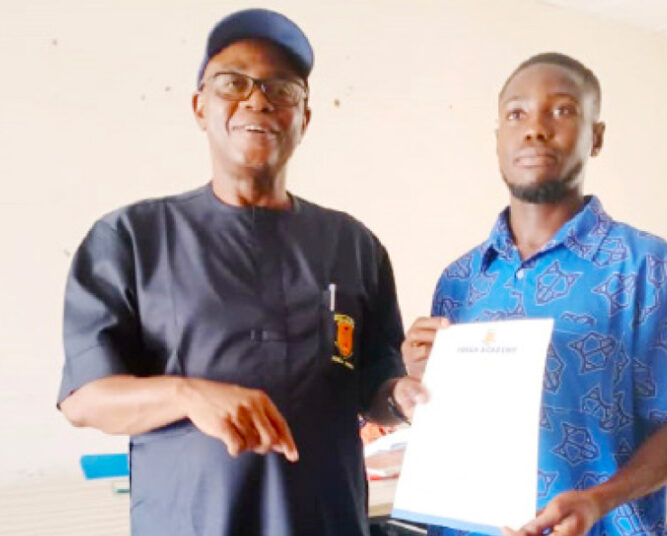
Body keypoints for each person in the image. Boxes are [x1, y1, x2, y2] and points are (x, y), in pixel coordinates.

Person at [58, 9, 422, 536]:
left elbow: (374, 385)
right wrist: (187, 394)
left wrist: (403, 396)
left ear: (304, 117)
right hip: (190, 521)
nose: (258, 99)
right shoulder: (131, 239)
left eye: (283, 88)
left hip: (326, 519)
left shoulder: (354, 246)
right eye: (233, 83)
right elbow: (85, 399)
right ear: (199, 106)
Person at [401, 53, 667, 536]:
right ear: (497, 140)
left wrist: (599, 500)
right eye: (517, 114)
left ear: (596, 137)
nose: (535, 129)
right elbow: (457, 427)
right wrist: (420, 380)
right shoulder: (460, 279)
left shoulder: (646, 267)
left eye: (561, 110)